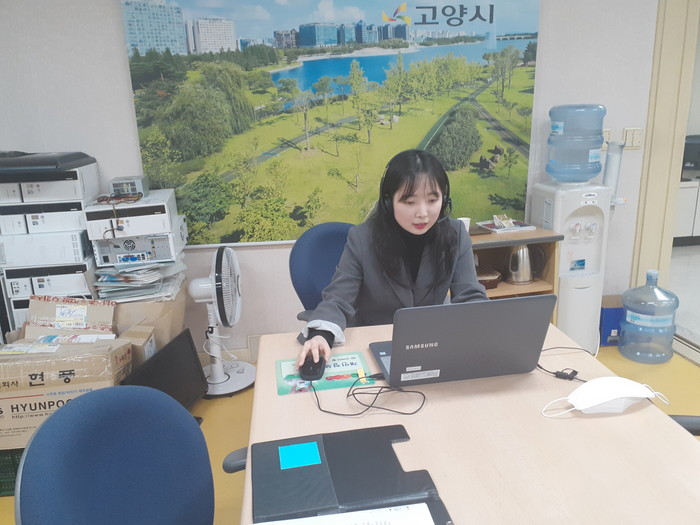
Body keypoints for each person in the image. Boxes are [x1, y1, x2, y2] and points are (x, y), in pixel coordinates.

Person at [297, 149, 488, 367]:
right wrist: (321, 335)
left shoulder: (456, 234)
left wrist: (485, 328)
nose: (423, 213)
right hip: (373, 345)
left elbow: (470, 295)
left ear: (444, 200)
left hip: (431, 347)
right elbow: (338, 298)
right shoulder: (362, 238)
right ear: (389, 202)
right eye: (410, 202)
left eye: (432, 200)